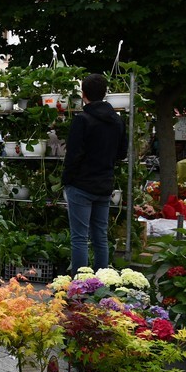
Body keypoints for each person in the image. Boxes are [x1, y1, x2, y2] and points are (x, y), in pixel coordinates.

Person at [63, 73, 129, 270]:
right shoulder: (117, 120)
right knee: (100, 236)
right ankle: (101, 282)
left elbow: (73, 155)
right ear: (105, 93)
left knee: (80, 238)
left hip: (81, 185)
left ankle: (79, 288)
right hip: (104, 183)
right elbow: (121, 153)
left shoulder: (82, 120)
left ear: (83, 94)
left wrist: (67, 180)